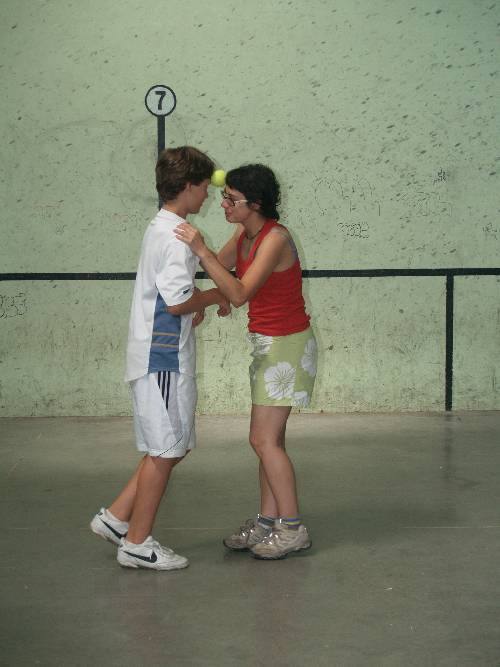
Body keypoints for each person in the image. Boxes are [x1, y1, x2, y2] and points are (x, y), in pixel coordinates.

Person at [90, 146, 230, 570]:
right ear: (187, 186)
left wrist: (193, 302)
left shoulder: (163, 226)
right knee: (166, 451)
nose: (207, 195)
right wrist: (215, 294)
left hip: (159, 357)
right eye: (203, 187)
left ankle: (116, 518)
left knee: (170, 447)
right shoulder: (178, 237)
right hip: (162, 360)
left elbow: (173, 296)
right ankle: (137, 543)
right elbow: (177, 302)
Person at [174, 163, 317, 560]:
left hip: (286, 347)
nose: (223, 204)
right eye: (224, 197)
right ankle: (268, 522)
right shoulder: (245, 234)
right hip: (268, 345)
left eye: (231, 200)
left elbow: (238, 293)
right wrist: (202, 300)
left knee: (262, 440)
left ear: (254, 204)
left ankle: (293, 528)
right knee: (269, 442)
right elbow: (222, 275)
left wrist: (202, 253)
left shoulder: (276, 239)